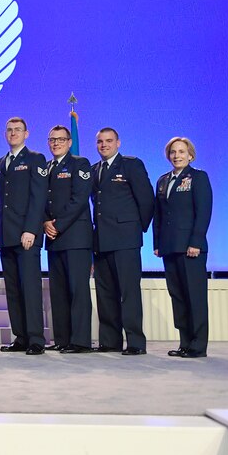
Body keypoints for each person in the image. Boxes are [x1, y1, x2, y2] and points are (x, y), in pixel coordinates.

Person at [91, 127, 154, 355]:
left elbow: (146, 200)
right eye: (100, 141)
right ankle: (110, 341)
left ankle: (135, 342)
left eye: (109, 141)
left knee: (129, 293)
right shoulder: (94, 170)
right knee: (105, 293)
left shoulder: (131, 165)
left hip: (125, 240)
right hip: (101, 241)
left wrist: (135, 229)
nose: (104, 145)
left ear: (118, 143)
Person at [0, 117, 49, 356]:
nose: (13, 133)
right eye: (9, 130)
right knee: (13, 289)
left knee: (30, 288)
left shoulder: (35, 159)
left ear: (26, 134)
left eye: (18, 130)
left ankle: (36, 338)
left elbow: (38, 197)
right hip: (6, 235)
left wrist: (31, 230)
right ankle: (21, 337)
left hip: (26, 235)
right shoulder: (0, 163)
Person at [153, 137, 212, 358]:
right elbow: (159, 215)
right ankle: (185, 342)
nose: (177, 156)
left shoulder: (198, 177)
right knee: (177, 296)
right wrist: (157, 243)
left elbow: (203, 212)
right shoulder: (162, 180)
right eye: (173, 152)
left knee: (194, 297)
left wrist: (196, 242)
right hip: (169, 247)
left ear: (190, 155)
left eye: (181, 152)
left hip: (190, 248)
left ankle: (198, 345)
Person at [41, 125, 93, 353]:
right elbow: (41, 199)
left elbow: (79, 199)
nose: (56, 143)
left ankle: (80, 341)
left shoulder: (80, 164)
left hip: (75, 237)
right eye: (52, 139)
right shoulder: (46, 167)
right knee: (59, 292)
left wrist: (58, 225)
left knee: (78, 291)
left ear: (70, 143)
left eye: (61, 139)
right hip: (54, 238)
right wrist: (45, 222)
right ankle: (62, 339)